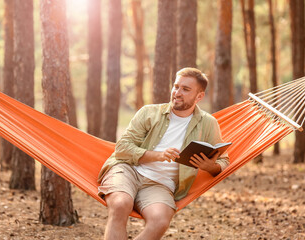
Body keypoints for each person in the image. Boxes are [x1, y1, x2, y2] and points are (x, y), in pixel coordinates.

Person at [97, 67, 230, 240]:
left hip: (160, 185)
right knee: (121, 204)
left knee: (159, 222)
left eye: (185, 89)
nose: (177, 92)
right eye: (176, 86)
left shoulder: (208, 124)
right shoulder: (149, 113)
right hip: (128, 170)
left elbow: (224, 160)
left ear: (199, 96)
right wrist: (157, 155)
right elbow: (122, 147)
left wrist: (211, 167)